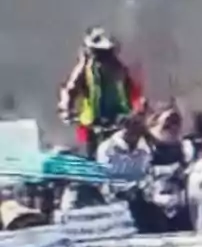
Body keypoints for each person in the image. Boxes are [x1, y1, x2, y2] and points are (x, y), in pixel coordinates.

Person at [58, 27, 144, 156]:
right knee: (92, 155)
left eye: (107, 53)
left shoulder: (120, 69)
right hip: (93, 125)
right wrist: (66, 109)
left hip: (118, 122)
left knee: (118, 154)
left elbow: (132, 92)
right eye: (100, 52)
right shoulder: (85, 69)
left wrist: (137, 112)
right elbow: (70, 89)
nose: (104, 58)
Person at [144, 107, 194, 234]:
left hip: (180, 209)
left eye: (176, 123)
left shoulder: (185, 148)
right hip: (151, 211)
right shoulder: (145, 147)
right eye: (167, 123)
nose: (172, 127)